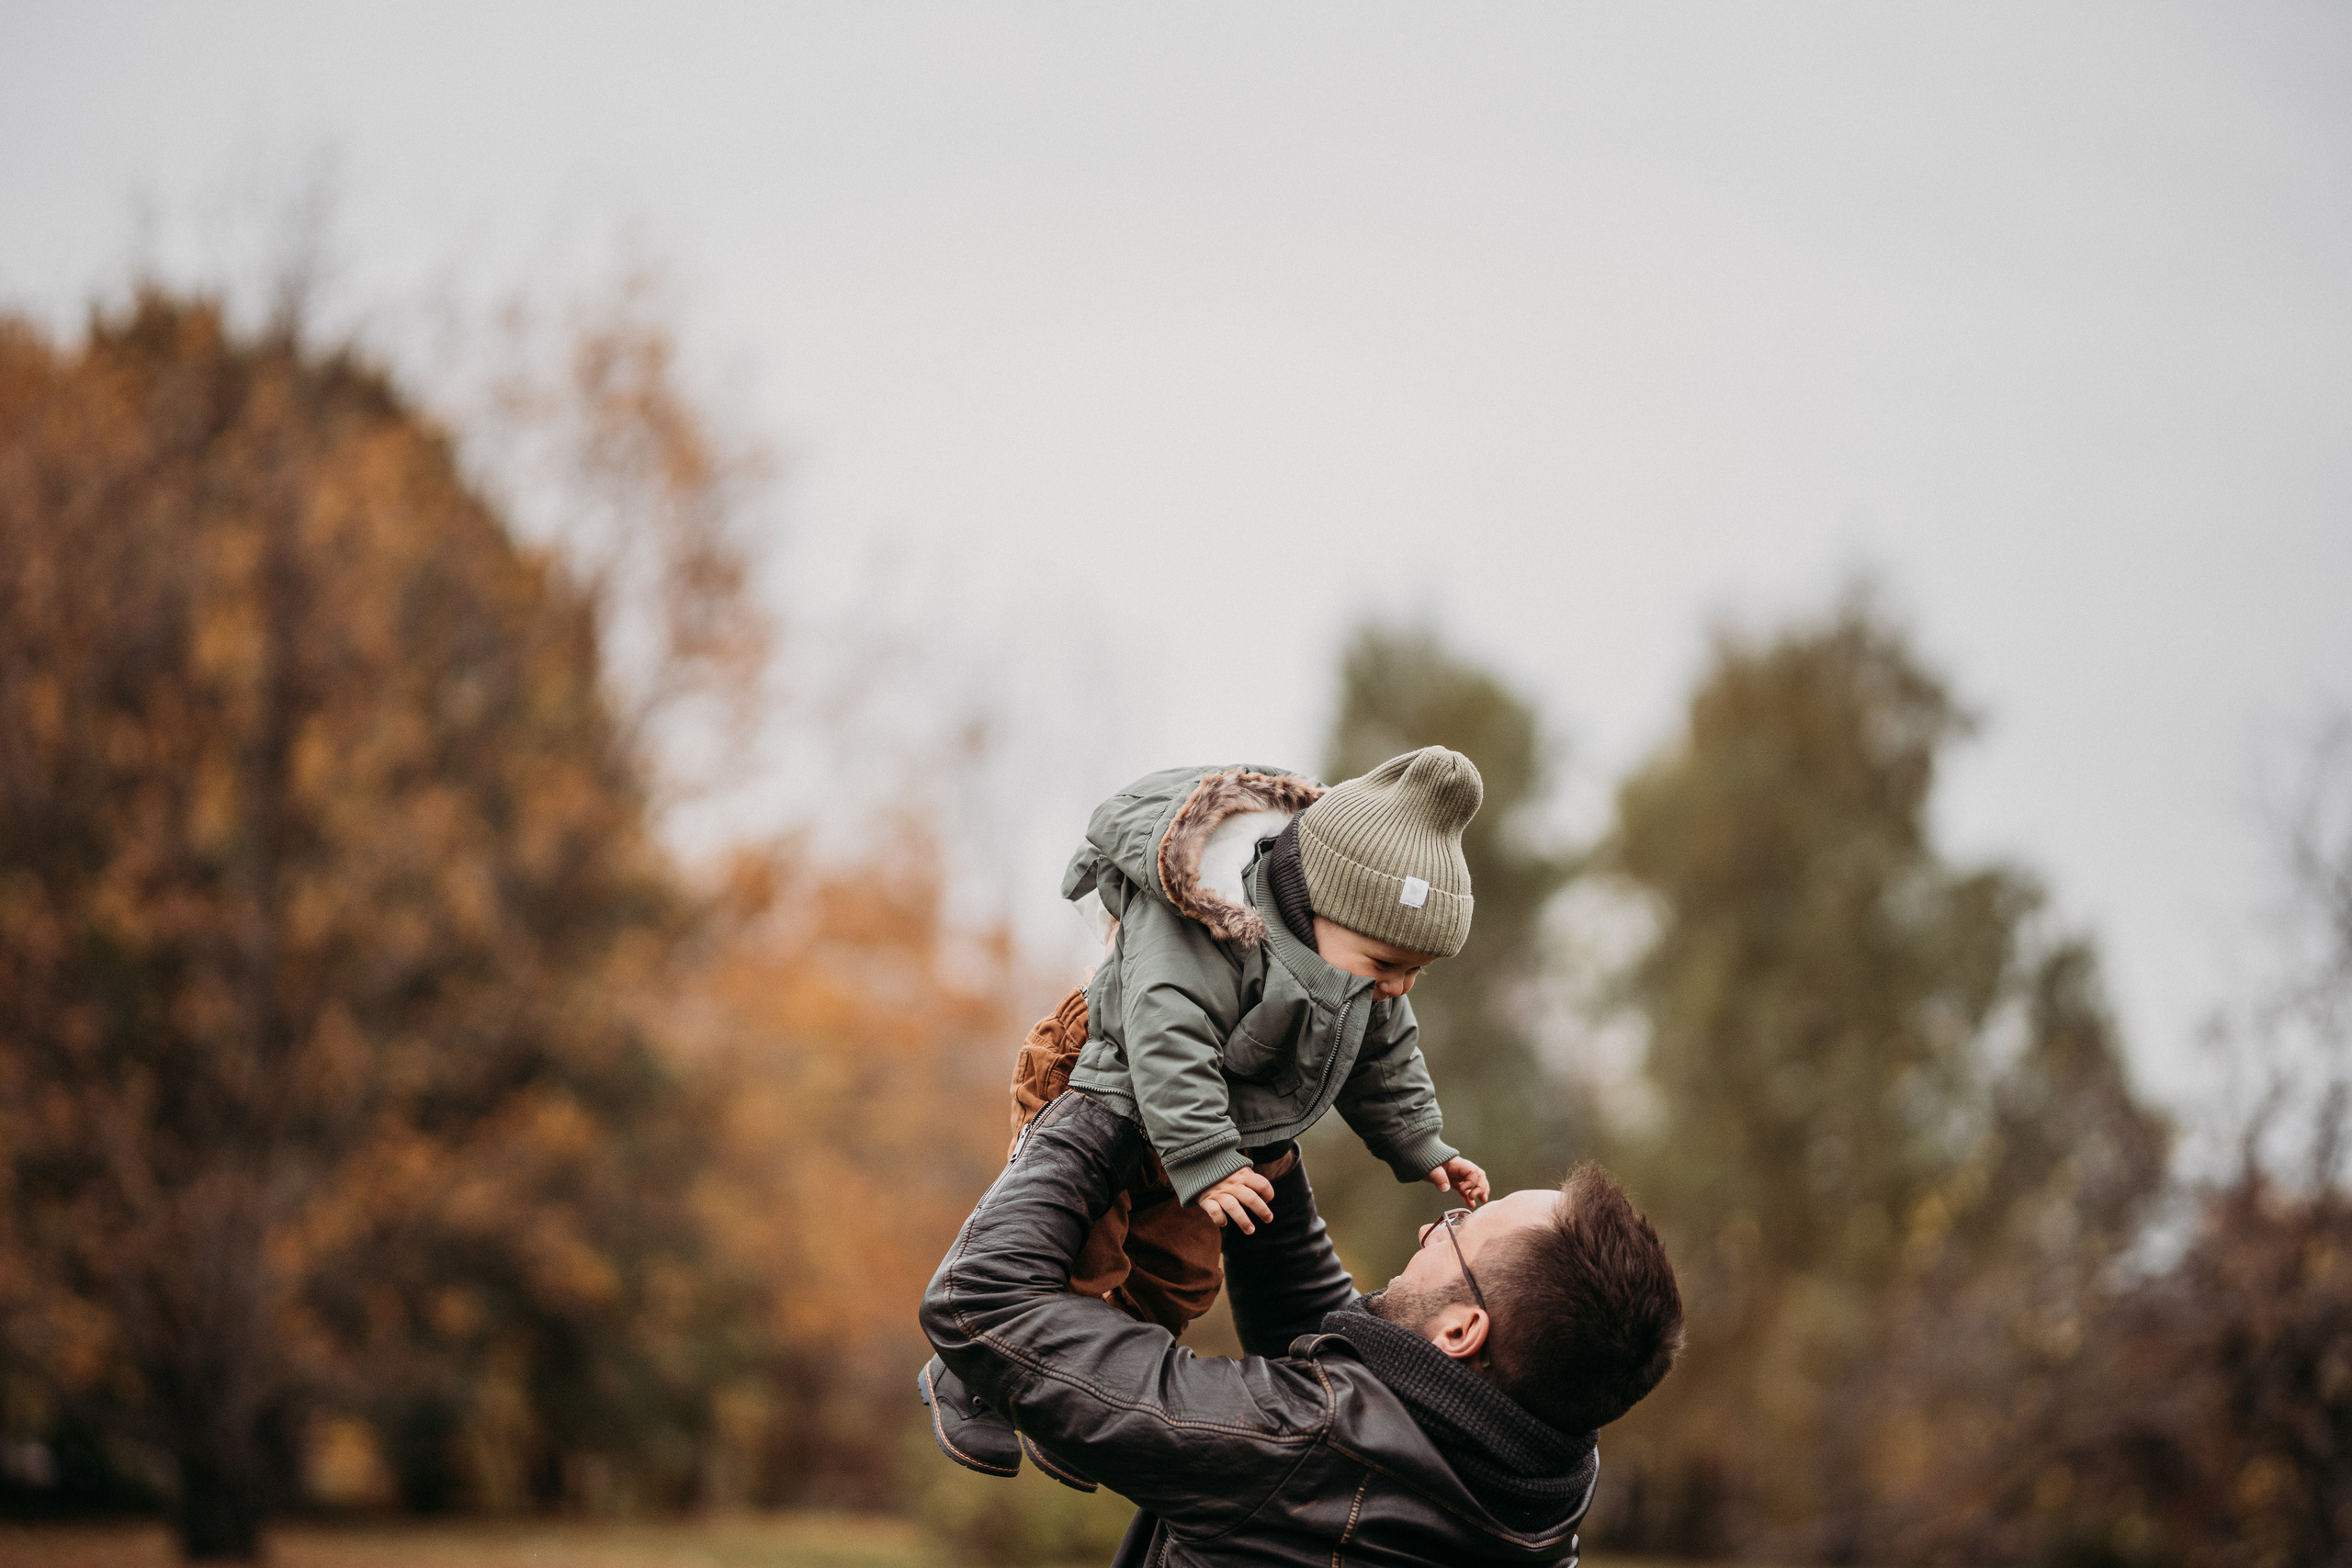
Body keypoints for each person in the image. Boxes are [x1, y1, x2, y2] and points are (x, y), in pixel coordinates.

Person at [927, 748, 1494, 1483]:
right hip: (1115, 1083)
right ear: (1316, 900)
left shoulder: (1363, 969)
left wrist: (1422, 1142)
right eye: (1387, 965)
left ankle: (1070, 1408)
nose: (1397, 987)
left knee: (1181, 1280)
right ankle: (964, 1373)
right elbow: (1167, 1030)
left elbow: (1387, 1060)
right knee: (1078, 1256)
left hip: (1219, 1126)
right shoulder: (1207, 922)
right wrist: (1206, 1156)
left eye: (1414, 972)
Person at [919, 1088, 1684, 1566]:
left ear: (1461, 1330)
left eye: (1457, 1229)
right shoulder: (1541, 1490)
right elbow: (1324, 1334)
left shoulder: (1301, 1447)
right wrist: (1264, 1119)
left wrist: (1111, 1083)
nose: (1428, 1233)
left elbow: (981, 1300)